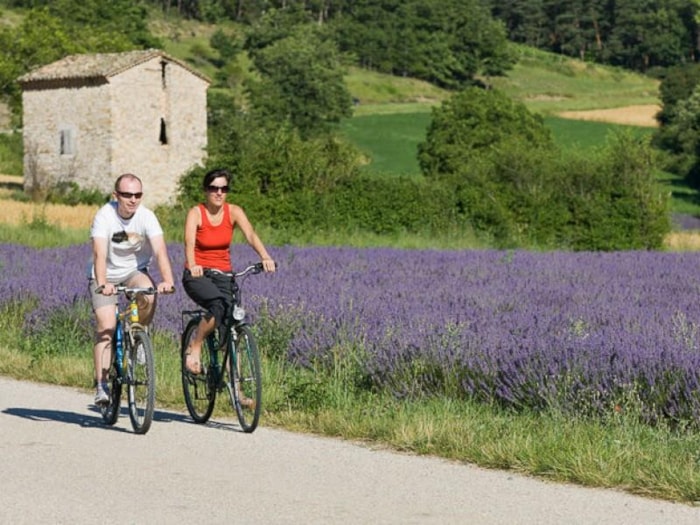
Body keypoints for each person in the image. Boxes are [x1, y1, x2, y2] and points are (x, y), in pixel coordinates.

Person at [182, 168, 275, 387]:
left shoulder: (234, 212)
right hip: (198, 275)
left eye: (223, 188)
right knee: (217, 305)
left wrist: (265, 256)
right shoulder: (196, 213)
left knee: (232, 324)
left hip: (224, 274)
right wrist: (193, 264)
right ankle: (195, 345)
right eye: (214, 188)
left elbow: (250, 235)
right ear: (206, 190)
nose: (219, 193)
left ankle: (238, 390)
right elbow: (189, 242)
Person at [89, 173, 175, 406]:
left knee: (149, 292)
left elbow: (160, 251)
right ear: (116, 195)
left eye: (137, 195)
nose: (133, 200)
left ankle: (138, 333)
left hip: (134, 272)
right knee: (106, 326)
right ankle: (102, 385)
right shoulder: (104, 216)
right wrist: (103, 283)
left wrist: (167, 280)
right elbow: (99, 254)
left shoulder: (147, 217)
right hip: (105, 274)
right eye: (127, 195)